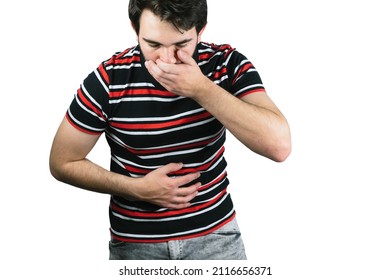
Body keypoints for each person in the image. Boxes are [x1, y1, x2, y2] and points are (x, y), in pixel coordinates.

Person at [49, 0, 291, 260]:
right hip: (135, 247)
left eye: (181, 45)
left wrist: (201, 89)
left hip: (217, 240)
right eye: (153, 45)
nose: (166, 59)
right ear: (134, 29)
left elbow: (278, 146)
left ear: (201, 31)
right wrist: (136, 189)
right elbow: (62, 162)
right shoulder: (109, 79)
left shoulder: (226, 64)